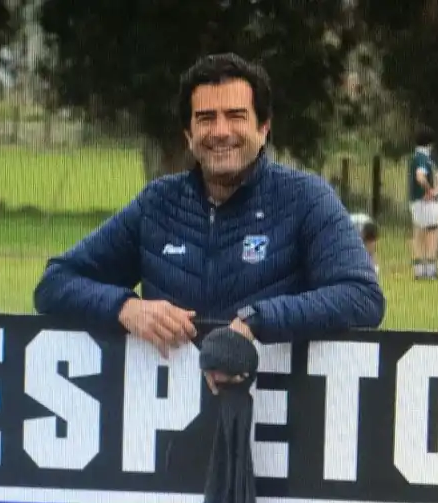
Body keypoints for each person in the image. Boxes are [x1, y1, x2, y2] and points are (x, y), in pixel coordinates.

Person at [33, 52, 384, 379]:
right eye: (205, 119)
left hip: (276, 418)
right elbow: (55, 283)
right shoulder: (157, 204)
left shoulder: (307, 198)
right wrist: (126, 308)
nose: (220, 131)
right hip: (167, 419)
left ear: (263, 129)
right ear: (189, 135)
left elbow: (362, 296)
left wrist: (257, 321)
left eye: (236, 116)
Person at [408, 126, 438, 279]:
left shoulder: (416, 156)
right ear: (430, 143)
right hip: (425, 202)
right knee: (432, 232)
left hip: (416, 201)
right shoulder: (423, 158)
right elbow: (420, 177)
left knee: (420, 233)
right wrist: (430, 191)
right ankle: (430, 270)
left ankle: (420, 270)